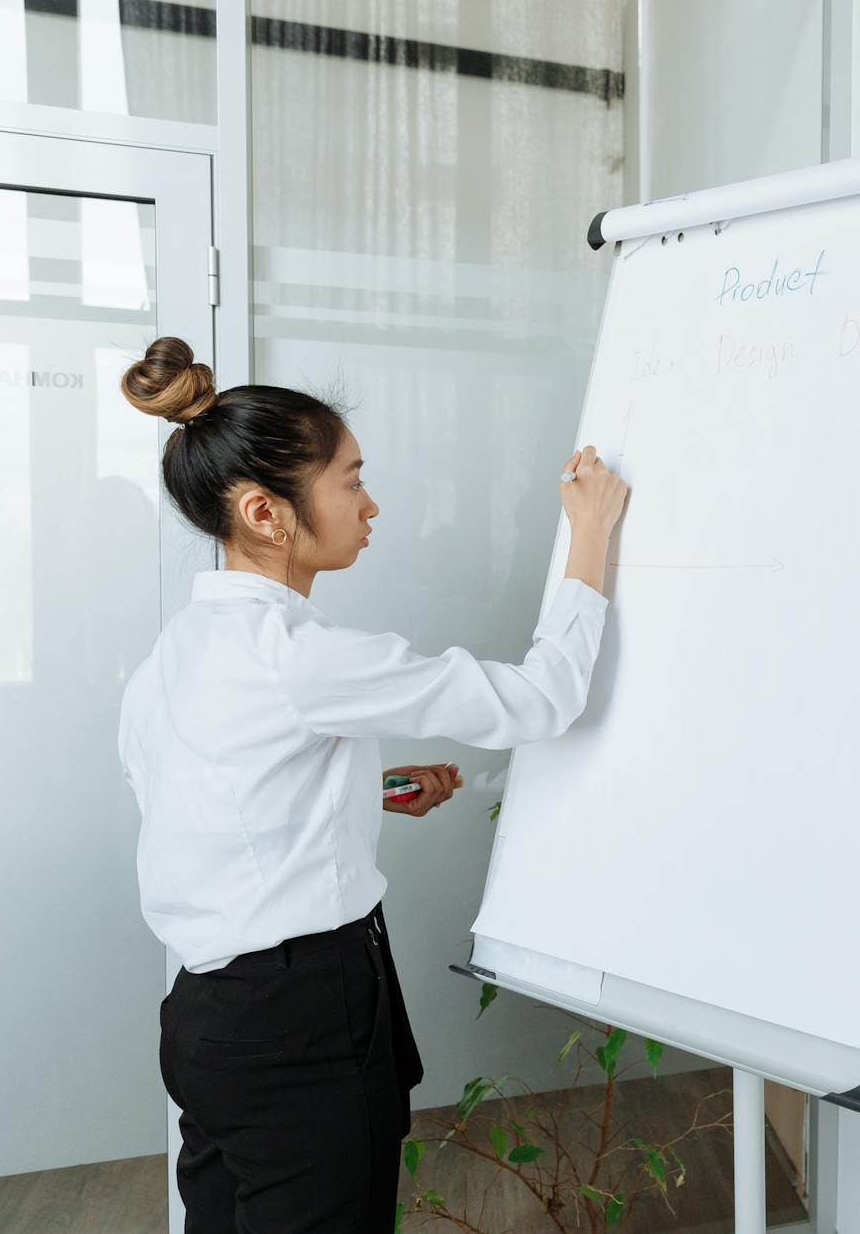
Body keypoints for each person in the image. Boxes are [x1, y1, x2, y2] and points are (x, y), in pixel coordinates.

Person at [113, 336, 631, 1231]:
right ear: (267, 513)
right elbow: (543, 700)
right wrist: (590, 535)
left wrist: (376, 785)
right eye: (350, 482)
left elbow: (215, 798)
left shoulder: (175, 654)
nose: (371, 503)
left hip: (207, 1021)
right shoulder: (301, 658)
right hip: (300, 1024)